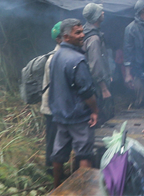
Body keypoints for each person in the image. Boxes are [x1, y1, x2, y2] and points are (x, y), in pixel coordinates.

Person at [49, 18, 99, 189]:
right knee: (84, 153)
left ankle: (56, 187)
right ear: (66, 37)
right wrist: (94, 110)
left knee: (59, 153)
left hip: (60, 114)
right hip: (78, 115)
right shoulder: (78, 60)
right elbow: (86, 91)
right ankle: (85, 190)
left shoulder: (55, 56)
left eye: (82, 31)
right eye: (77, 33)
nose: (82, 35)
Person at [82, 2, 113, 121]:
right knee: (102, 116)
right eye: (100, 12)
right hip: (96, 85)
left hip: (92, 83)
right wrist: (104, 88)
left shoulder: (86, 31)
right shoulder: (93, 38)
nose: (103, 12)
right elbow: (95, 65)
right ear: (96, 17)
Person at [41, 21, 63, 172]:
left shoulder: (60, 56)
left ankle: (54, 166)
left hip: (54, 105)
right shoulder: (54, 58)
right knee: (52, 137)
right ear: (59, 39)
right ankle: (51, 167)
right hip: (52, 106)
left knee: (54, 136)